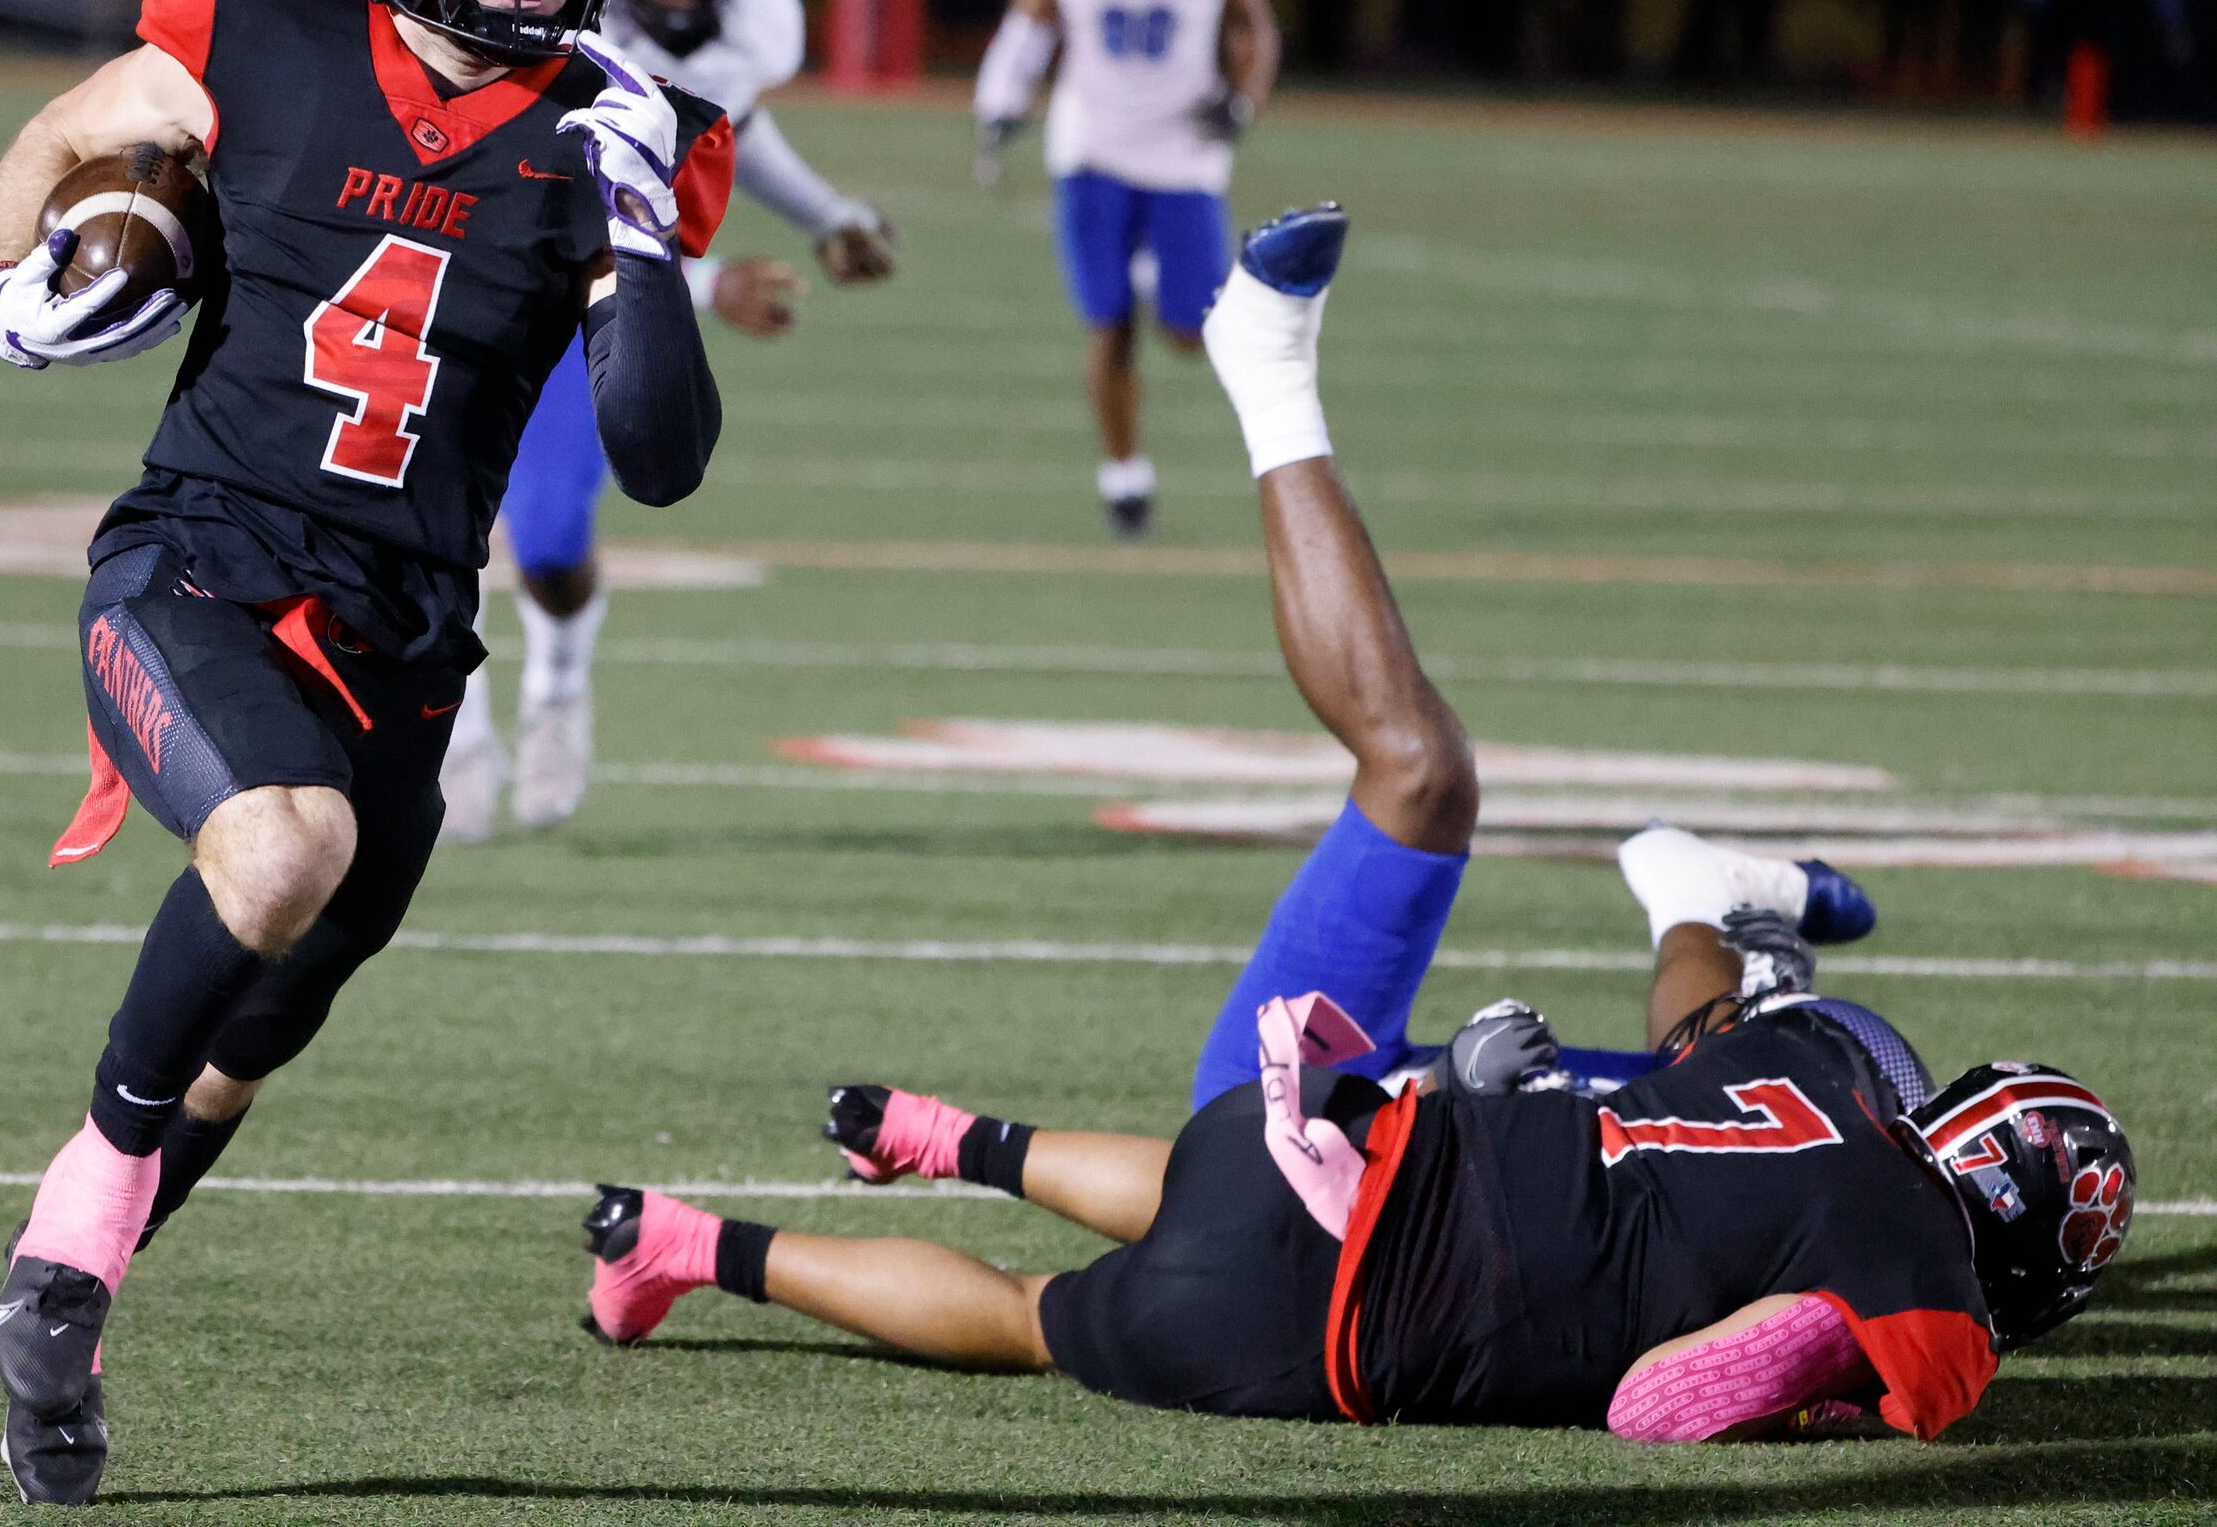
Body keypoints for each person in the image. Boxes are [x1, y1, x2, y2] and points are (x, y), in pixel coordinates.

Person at [575, 205, 2136, 1439]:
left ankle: (933, 1139)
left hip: (1335, 1129)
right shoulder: (1878, 1216)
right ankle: (716, 1231)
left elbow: (1703, 1055)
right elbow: (1672, 1394)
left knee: (1386, 910)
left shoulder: (1806, 1075)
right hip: (1333, 1276)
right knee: (1032, 1312)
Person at [0, 0, 735, 1506]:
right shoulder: (265, 25)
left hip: (406, 638)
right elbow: (66, 131)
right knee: (281, 842)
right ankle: (65, 1255)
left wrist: (642, 232)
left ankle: (72, 1292)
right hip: (199, 564)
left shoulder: (613, 127)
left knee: (255, 1036)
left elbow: (663, 457)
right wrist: (13, 288)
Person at [440, 0, 896, 838]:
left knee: (550, 544)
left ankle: (558, 686)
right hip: (464, 268)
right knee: (432, 533)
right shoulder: (545, 6)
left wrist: (827, 215)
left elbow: (725, 124)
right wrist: (709, 278)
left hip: (577, 291)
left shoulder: (753, 17)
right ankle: (456, 731)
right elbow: (530, 203)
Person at [971, 0, 1276, 538]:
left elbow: (1252, 28)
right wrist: (1000, 99)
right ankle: (1125, 476)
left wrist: (1243, 102)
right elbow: (1032, 19)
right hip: (1092, 146)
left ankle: (1155, 274)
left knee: (1187, 330)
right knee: (1107, 320)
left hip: (1184, 151)